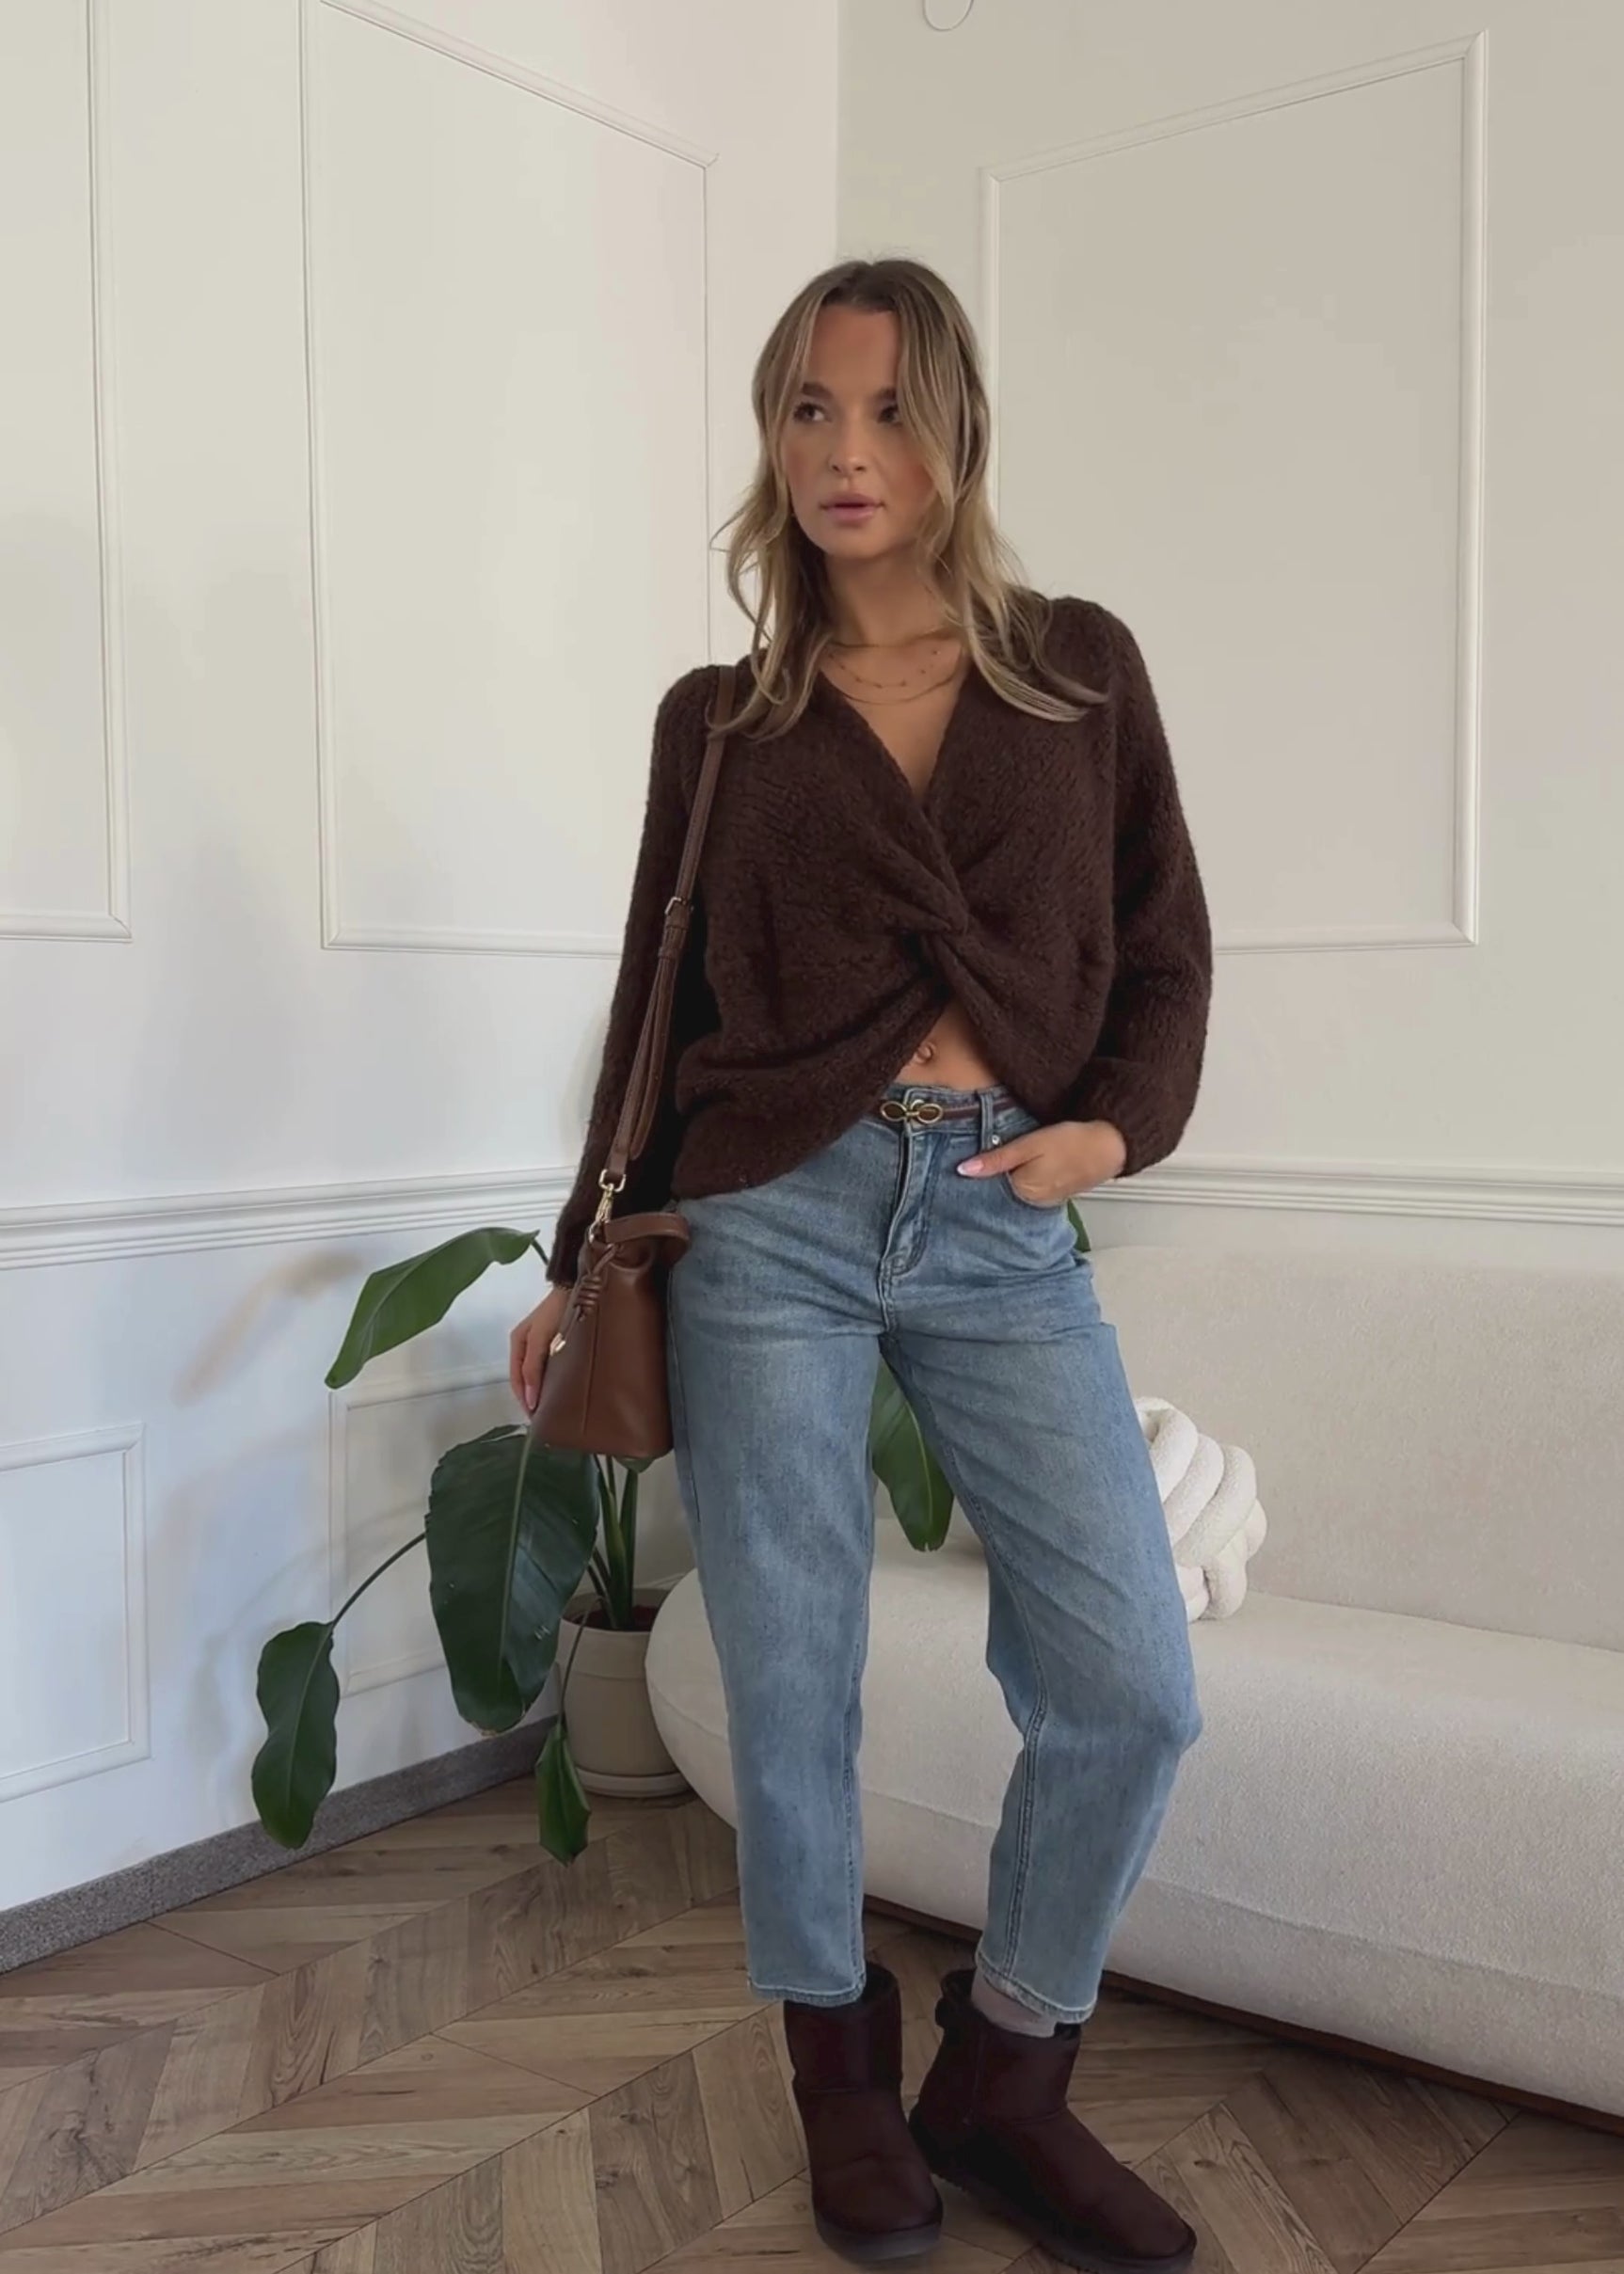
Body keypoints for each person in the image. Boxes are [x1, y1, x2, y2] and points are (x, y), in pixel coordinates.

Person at [510, 257, 1210, 2272]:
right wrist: (580, 1251)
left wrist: (1106, 1130)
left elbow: (1164, 938)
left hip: (998, 1213)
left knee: (1130, 1686)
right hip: (771, 1219)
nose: (844, 450)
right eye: (807, 408)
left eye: (887, 408)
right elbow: (658, 994)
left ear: (955, 431)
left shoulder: (1074, 670)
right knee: (793, 1675)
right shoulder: (722, 719)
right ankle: (835, 2071)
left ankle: (1006, 2079)